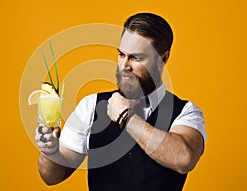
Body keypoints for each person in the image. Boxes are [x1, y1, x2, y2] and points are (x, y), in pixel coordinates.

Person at [35, 12, 206, 191]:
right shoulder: (91, 106)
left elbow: (183, 159)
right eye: (121, 55)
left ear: (162, 59)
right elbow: (52, 177)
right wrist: (50, 152)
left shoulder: (185, 112)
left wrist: (126, 117)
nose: (124, 65)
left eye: (136, 57)